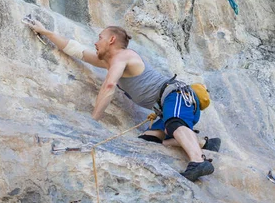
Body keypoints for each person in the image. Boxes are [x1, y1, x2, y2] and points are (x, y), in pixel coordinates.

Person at [25, 20, 219, 182]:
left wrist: (93, 121)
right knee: (150, 139)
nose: (96, 42)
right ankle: (204, 143)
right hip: (166, 106)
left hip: (177, 96)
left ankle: (197, 161)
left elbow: (109, 86)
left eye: (99, 38)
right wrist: (45, 32)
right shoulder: (109, 61)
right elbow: (77, 50)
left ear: (111, 40)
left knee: (174, 123)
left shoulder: (123, 56)